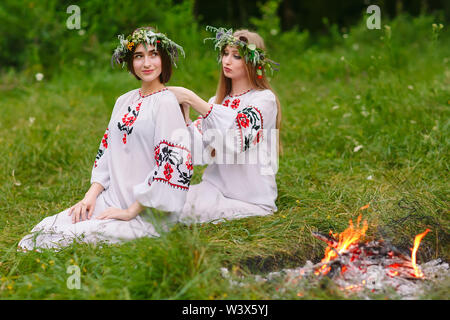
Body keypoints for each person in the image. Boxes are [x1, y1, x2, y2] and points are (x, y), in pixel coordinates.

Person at [18, 27, 192, 250]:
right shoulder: (123, 101)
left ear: (164, 59)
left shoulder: (166, 102)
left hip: (148, 212)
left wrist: (130, 211)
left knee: (66, 238)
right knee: (46, 228)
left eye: (153, 54)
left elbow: (174, 166)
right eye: (139, 56)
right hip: (113, 198)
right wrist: (90, 197)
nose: (146, 63)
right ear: (130, 62)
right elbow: (107, 152)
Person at [169, 26, 281, 224]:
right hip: (213, 187)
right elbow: (199, 152)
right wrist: (185, 115)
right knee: (164, 201)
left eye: (236, 56)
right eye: (225, 54)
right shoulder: (216, 102)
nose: (227, 61)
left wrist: (192, 99)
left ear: (253, 61)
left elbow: (237, 140)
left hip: (250, 199)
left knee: (177, 214)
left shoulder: (264, 100)